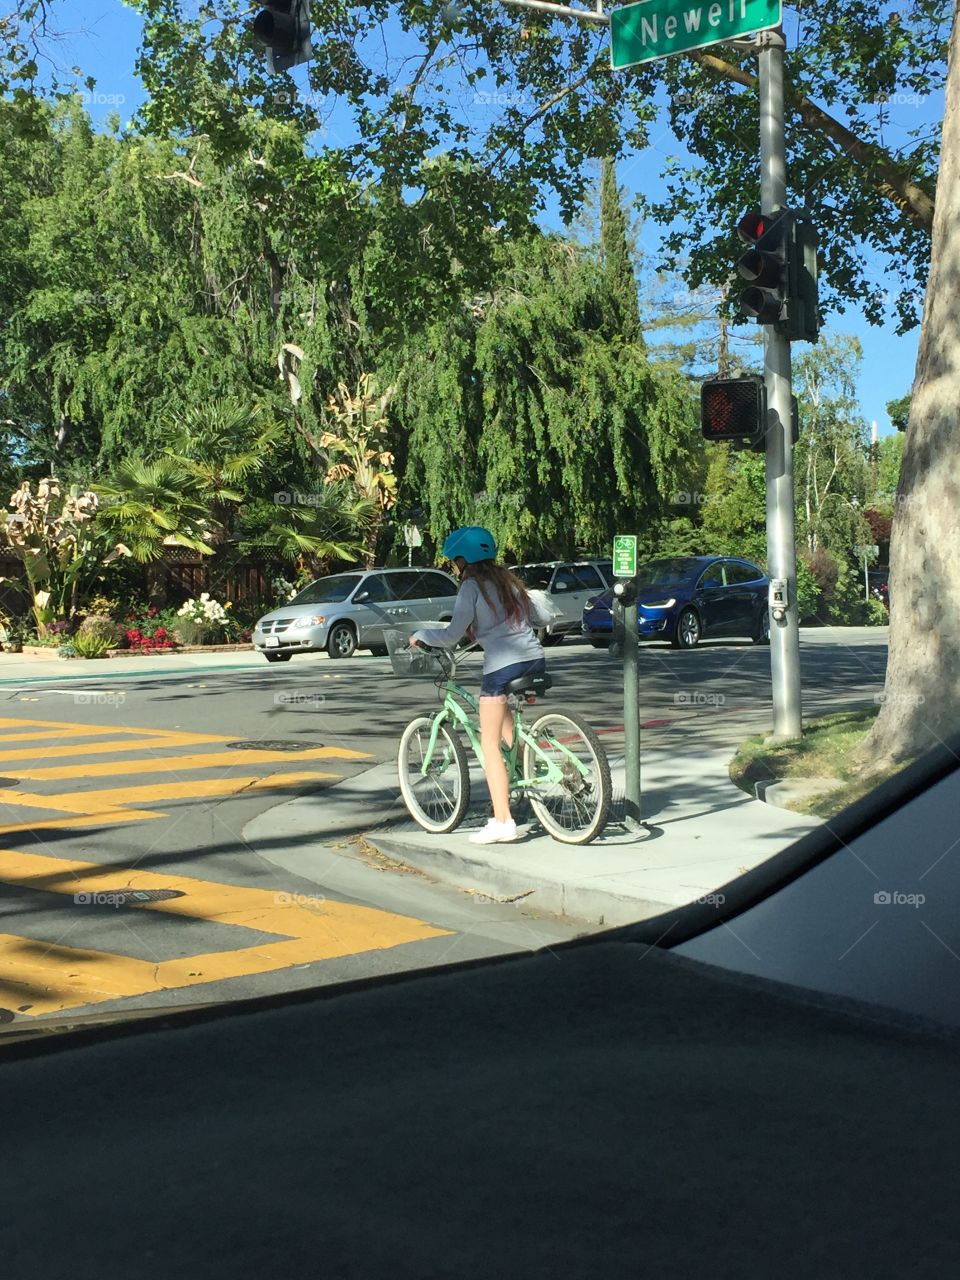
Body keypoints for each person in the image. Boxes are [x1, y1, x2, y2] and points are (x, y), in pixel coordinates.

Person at [409, 526, 554, 845]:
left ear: (463, 560)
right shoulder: (509, 582)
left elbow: (450, 635)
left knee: (488, 744)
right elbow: (537, 619)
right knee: (504, 722)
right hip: (534, 658)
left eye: (454, 561)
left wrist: (421, 636)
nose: (454, 567)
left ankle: (503, 821)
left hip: (502, 666)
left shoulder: (471, 587)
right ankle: (522, 774)